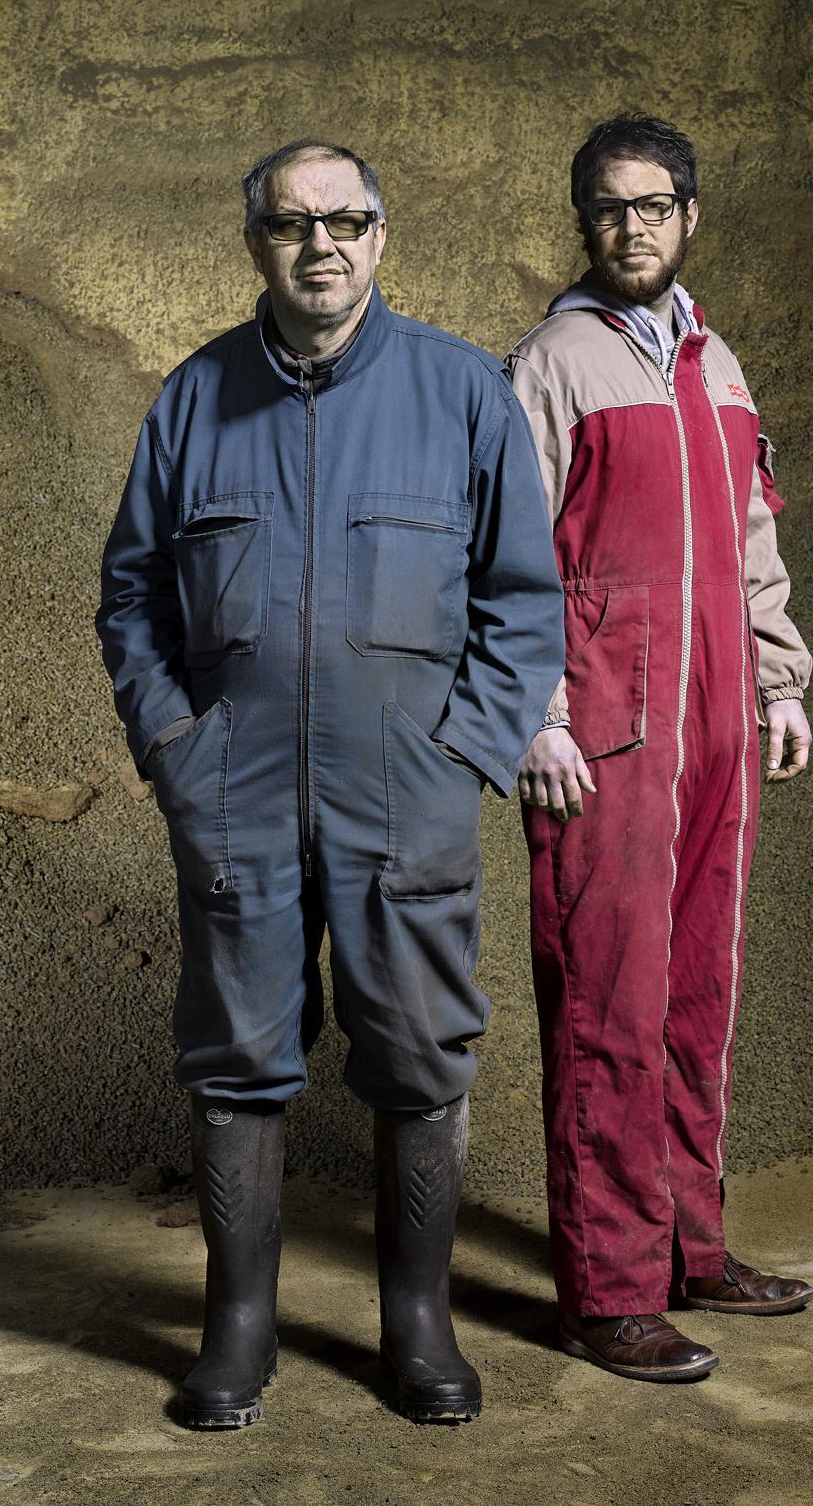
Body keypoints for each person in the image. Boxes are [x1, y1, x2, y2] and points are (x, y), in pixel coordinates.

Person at [96, 139, 564, 1427]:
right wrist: (173, 747)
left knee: (419, 1057)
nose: (322, 245)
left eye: (345, 221)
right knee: (237, 1060)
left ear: (380, 236)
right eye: (293, 225)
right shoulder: (194, 398)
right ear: (255, 242)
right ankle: (237, 1328)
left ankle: (416, 1324)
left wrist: (461, 756)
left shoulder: (463, 393)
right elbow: (131, 597)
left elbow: (526, 607)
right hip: (234, 799)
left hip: (405, 799)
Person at [506, 112, 813, 1385]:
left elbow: (749, 541)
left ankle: (691, 1245)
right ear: (584, 223)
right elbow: (504, 560)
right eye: (606, 207)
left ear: (689, 216)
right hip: (606, 731)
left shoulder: (718, 363)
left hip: (720, 725)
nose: (628, 226)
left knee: (698, 989)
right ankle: (610, 1291)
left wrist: (780, 681)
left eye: (651, 205)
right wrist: (535, 716)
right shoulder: (550, 364)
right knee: (608, 1005)